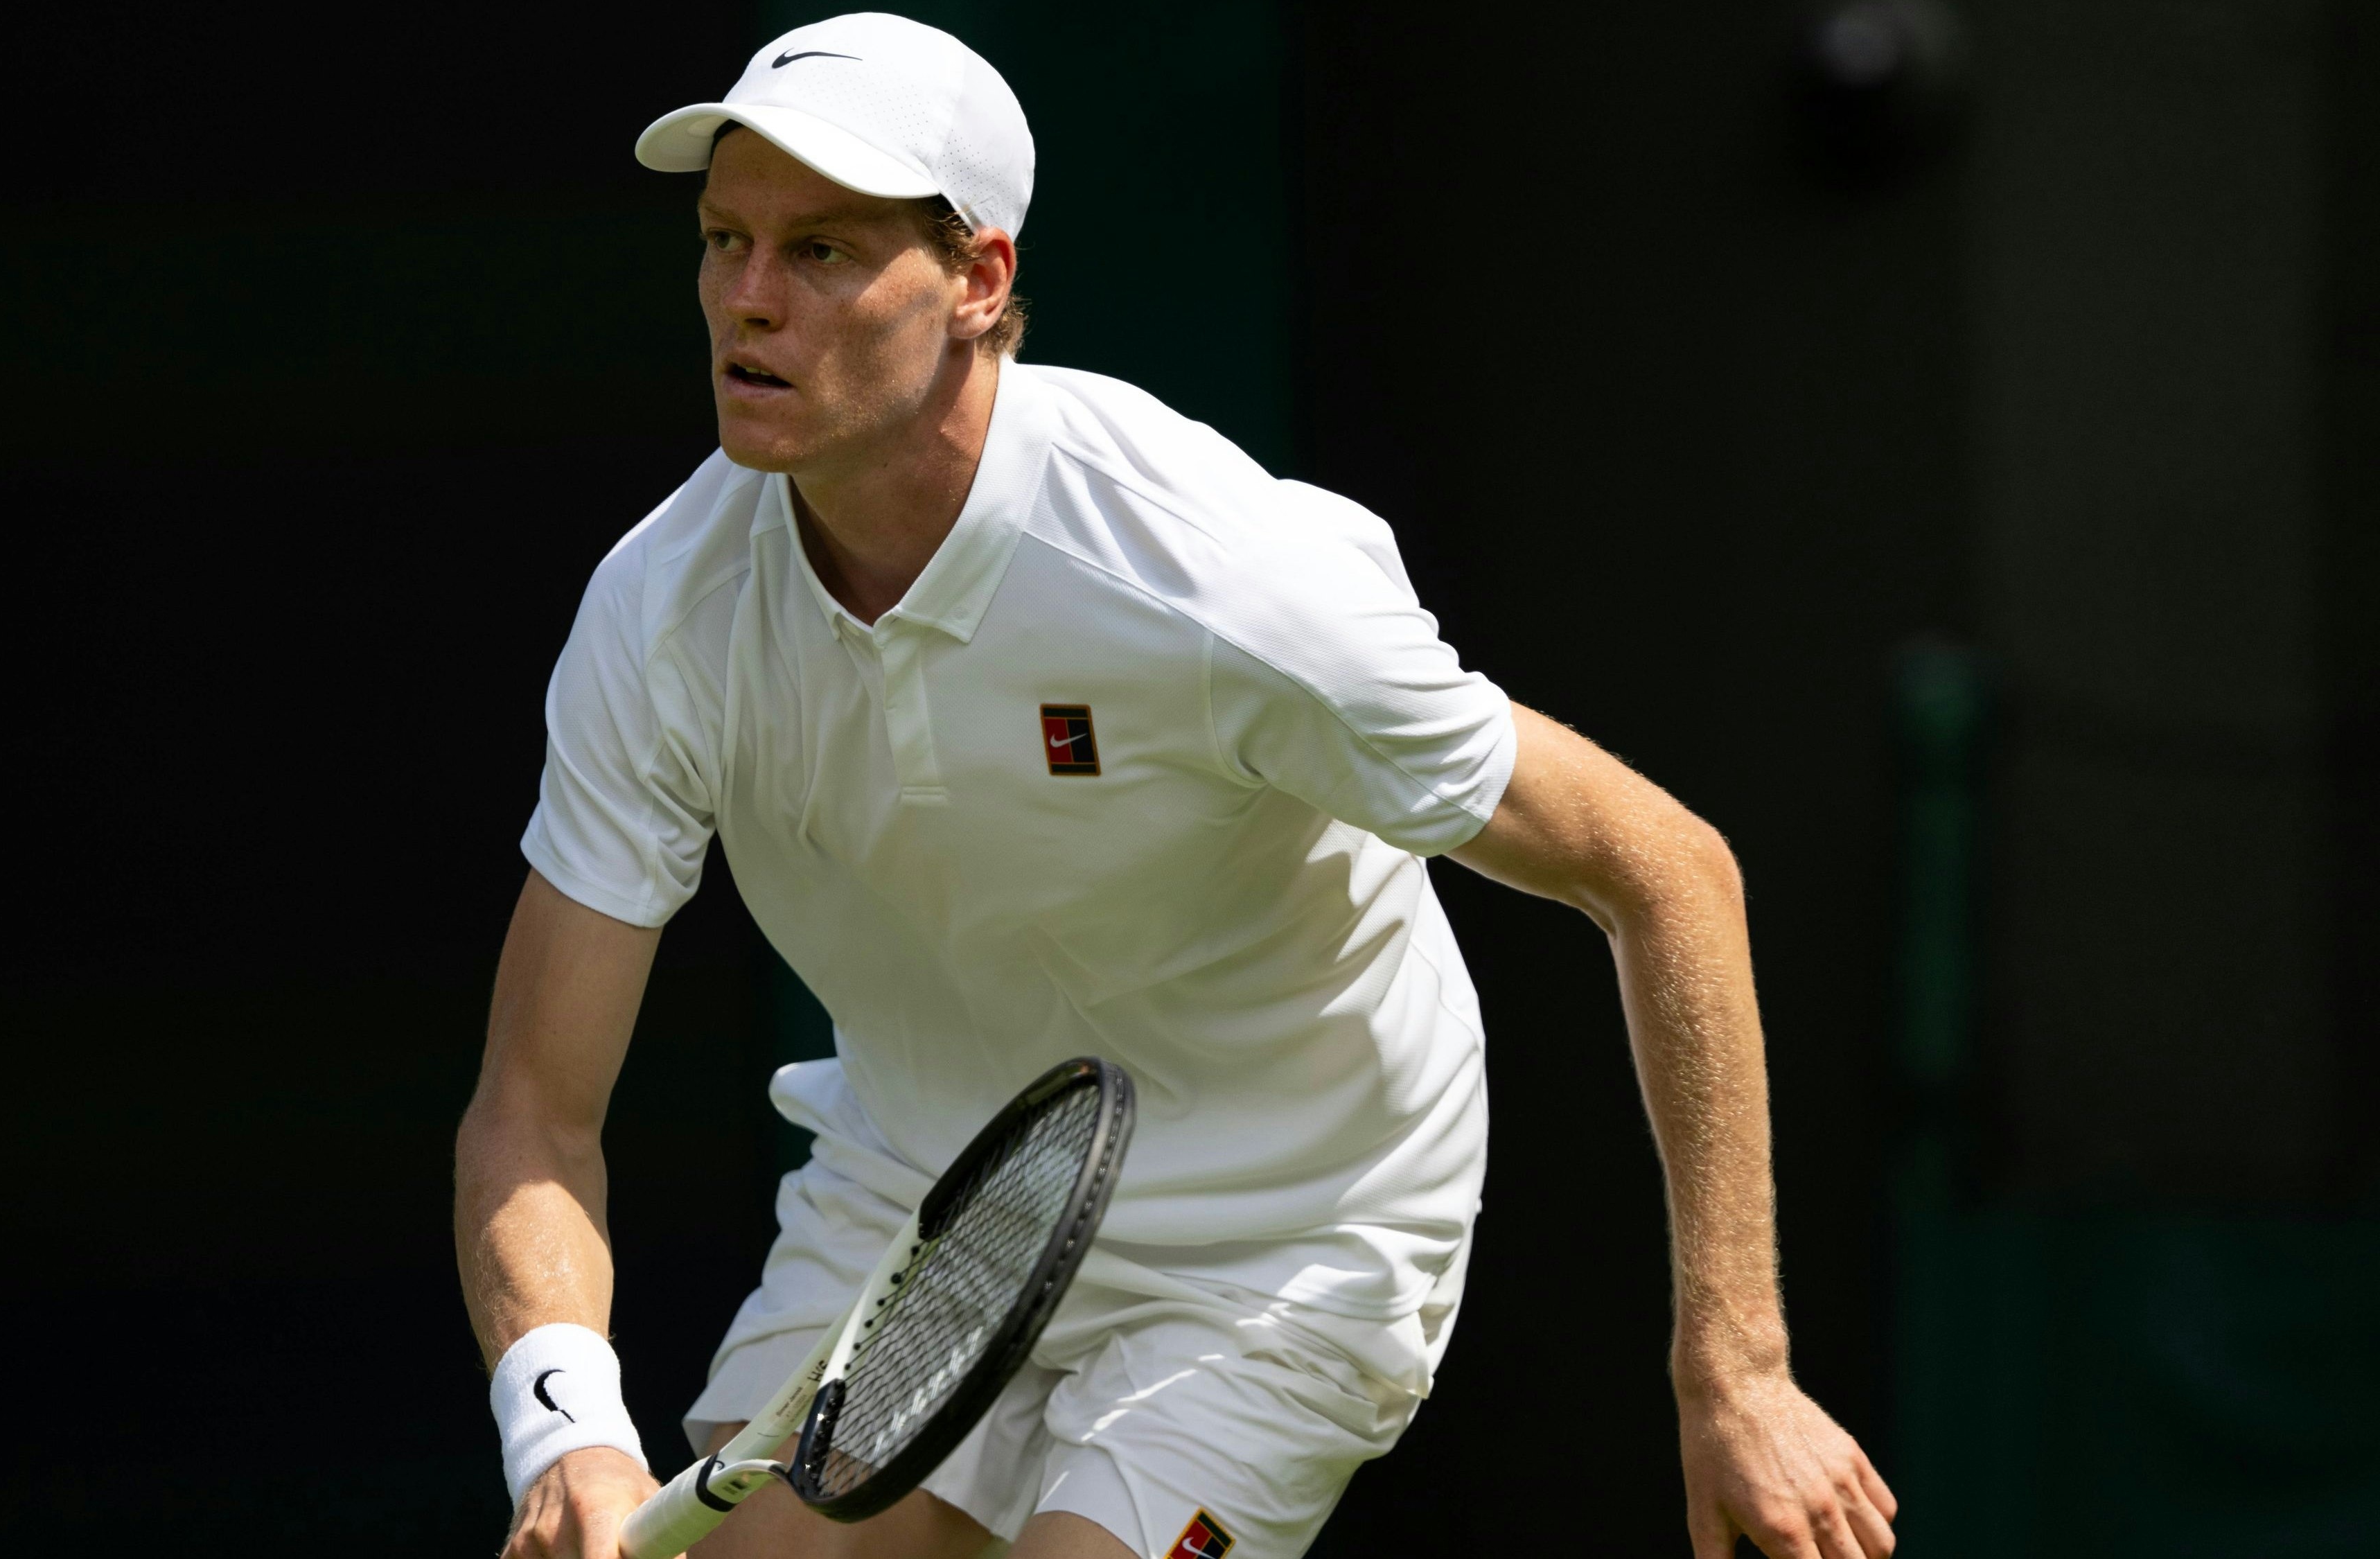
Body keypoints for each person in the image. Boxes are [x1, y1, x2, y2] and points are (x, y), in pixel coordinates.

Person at [454, 13, 1898, 1559]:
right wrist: (568, 1434)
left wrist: (1733, 1372)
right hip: (920, 1210)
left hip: (1290, 1232)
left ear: (978, 282)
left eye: (819, 252)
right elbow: (533, 1110)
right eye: (723, 240)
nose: (745, 300)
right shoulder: (661, 611)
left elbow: (1664, 867)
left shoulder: (1214, 581)